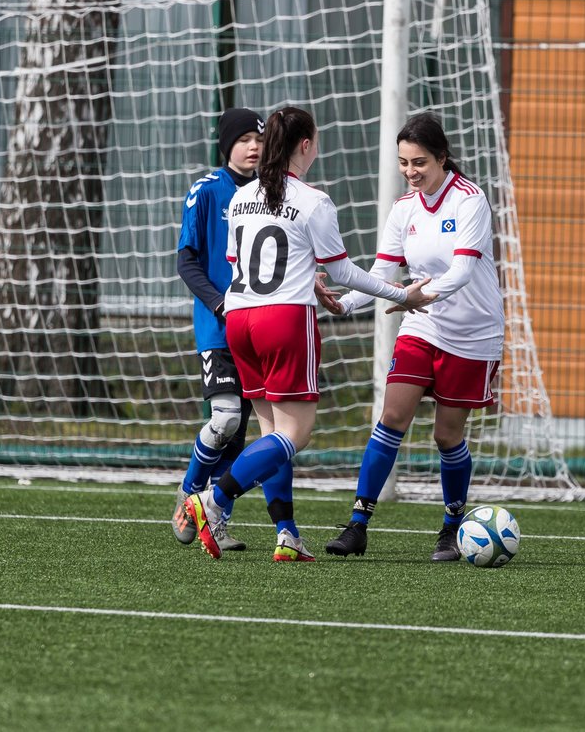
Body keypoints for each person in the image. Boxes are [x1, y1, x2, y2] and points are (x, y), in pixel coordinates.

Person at [182, 106, 436, 562]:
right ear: (305, 145)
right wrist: (401, 295)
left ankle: (287, 535)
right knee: (294, 436)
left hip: (238, 320)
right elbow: (343, 271)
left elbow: (246, 264)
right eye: (316, 141)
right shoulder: (313, 200)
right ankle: (213, 500)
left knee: (270, 433)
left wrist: (305, 276)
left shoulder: (241, 197)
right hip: (283, 321)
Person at [320, 113, 504, 562]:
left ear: (442, 157)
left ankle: (452, 526)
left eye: (419, 161)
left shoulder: (470, 200)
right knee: (392, 417)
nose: (410, 171)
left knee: (447, 437)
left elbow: (461, 270)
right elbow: (383, 274)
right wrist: (343, 305)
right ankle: (357, 524)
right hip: (422, 325)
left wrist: (417, 295)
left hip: (474, 331)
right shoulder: (404, 208)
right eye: (404, 162)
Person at [170, 107, 270, 552]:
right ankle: (189, 494)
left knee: (244, 435)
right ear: (227, 144)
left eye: (260, 139)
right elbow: (186, 260)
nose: (254, 147)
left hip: (260, 328)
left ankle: (217, 518)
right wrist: (218, 302)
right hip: (218, 325)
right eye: (245, 138)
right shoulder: (207, 191)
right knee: (225, 419)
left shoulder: (275, 194)